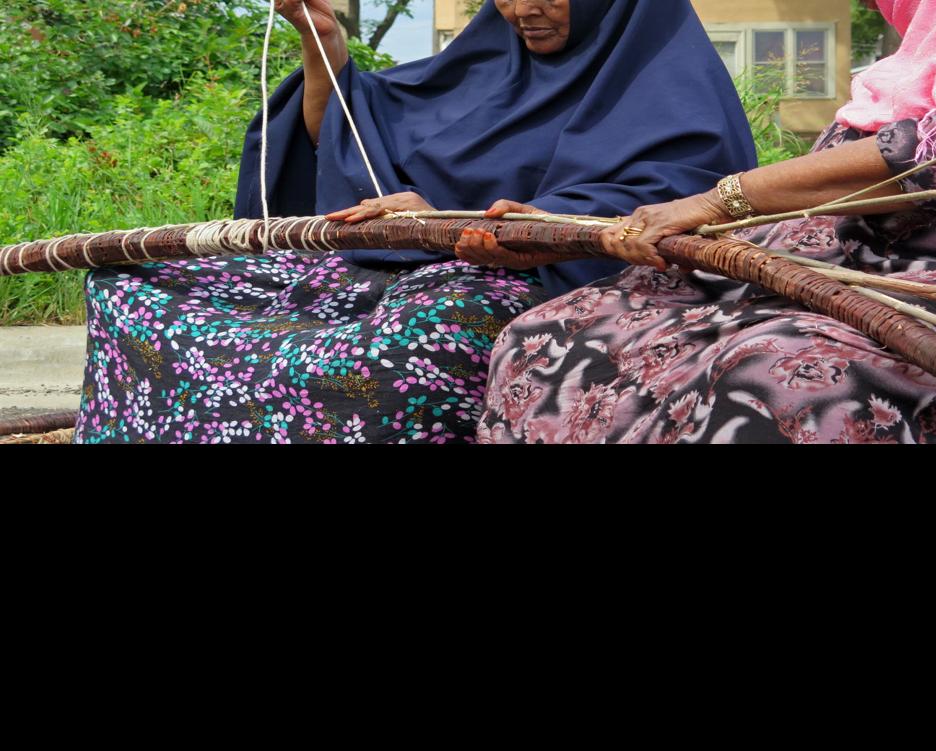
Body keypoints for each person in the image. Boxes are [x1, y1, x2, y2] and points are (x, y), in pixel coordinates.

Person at [477, 0, 936, 444]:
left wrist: (718, 201)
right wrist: (574, 228)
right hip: (876, 270)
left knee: (779, 374)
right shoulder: (933, 48)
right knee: (555, 330)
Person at [74, 0, 754, 443]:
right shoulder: (490, 65)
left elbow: (660, 209)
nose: (520, 10)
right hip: (383, 273)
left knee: (407, 342)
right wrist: (324, 44)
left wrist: (456, 226)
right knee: (139, 283)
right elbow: (349, 128)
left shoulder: (668, 83)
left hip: (541, 291)